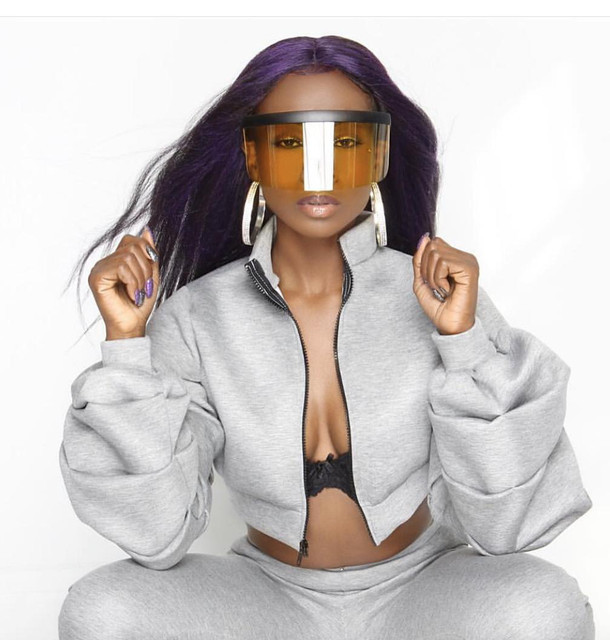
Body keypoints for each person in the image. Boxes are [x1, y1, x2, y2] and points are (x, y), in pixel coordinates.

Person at [57, 35, 595, 639]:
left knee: (542, 604)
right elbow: (155, 536)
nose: (321, 172)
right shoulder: (196, 317)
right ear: (254, 158)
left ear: (379, 155)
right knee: (102, 608)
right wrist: (127, 347)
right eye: (292, 143)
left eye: (345, 143)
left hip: (422, 593)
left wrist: (463, 342)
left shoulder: (438, 296)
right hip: (266, 599)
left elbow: (510, 529)